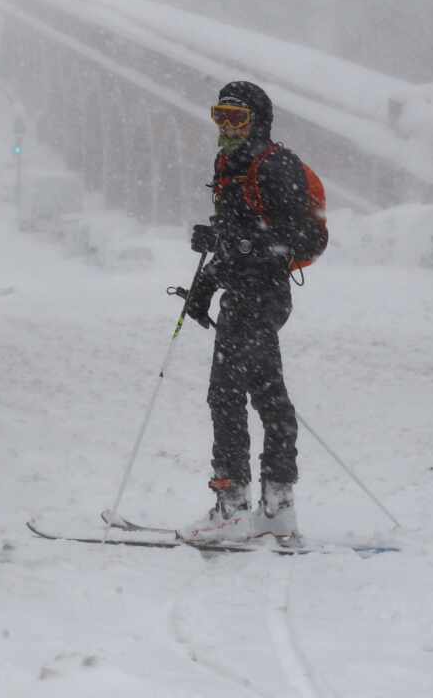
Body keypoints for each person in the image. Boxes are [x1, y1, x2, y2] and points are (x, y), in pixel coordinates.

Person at [177, 80, 327, 543]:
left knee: (225, 395)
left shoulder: (274, 166)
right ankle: (277, 506)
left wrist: (239, 242)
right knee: (267, 395)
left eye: (236, 118)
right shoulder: (229, 164)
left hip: (262, 295)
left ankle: (232, 506)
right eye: (219, 115)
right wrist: (205, 283)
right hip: (241, 293)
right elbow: (236, 239)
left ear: (257, 120)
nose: (226, 127)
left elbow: (306, 239)